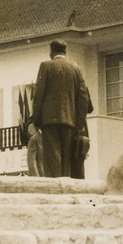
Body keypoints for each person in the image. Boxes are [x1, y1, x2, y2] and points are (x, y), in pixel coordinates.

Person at [32, 39, 88, 178]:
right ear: (65, 52)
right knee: (67, 161)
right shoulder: (75, 68)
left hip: (49, 120)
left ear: (51, 52)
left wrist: (36, 119)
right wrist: (79, 123)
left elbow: (39, 95)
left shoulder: (45, 66)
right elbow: (83, 98)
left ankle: (55, 191)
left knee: (52, 160)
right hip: (70, 121)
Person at [71, 79, 94, 179]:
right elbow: (90, 108)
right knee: (80, 163)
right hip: (81, 130)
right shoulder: (83, 88)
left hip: (71, 129)